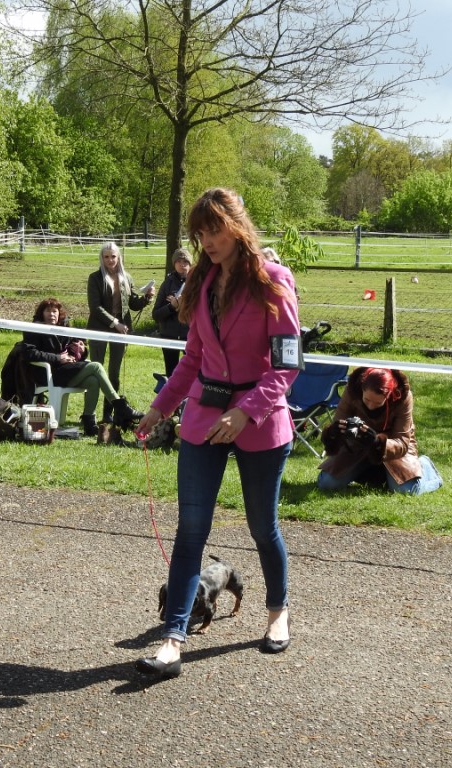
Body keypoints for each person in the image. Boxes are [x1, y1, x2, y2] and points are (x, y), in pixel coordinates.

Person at [134, 188, 301, 680]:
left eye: (214, 230)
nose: (206, 241)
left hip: (261, 423)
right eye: (199, 233)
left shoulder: (274, 281)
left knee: (262, 527)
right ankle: (172, 641)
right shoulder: (201, 282)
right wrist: (160, 408)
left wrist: (247, 412)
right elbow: (192, 359)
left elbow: (287, 365)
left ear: (237, 226)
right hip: (203, 420)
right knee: (190, 530)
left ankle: (277, 613)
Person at [21, 298, 142, 436]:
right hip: (48, 373)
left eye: (55, 311)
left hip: (68, 370)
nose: (52, 314)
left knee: (93, 381)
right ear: (41, 313)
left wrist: (81, 349)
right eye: (48, 311)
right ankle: (120, 406)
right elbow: (29, 353)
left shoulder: (65, 328)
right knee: (96, 366)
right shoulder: (34, 328)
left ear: (59, 313)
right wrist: (58, 358)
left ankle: (89, 423)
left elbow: (78, 349)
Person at [316, 367, 443, 495]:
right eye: (367, 400)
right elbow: (339, 423)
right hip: (357, 447)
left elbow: (402, 442)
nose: (371, 406)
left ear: (389, 395)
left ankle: (425, 466)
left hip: (393, 449)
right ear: (361, 389)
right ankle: (372, 475)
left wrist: (377, 442)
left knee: (408, 491)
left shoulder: (404, 397)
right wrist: (334, 432)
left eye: (377, 403)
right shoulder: (351, 390)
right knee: (326, 484)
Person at [87, 242, 156, 424]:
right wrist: (114, 323)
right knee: (96, 371)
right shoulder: (95, 278)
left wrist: (147, 298)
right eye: (106, 257)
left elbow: (133, 304)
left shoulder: (126, 277)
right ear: (102, 258)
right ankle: (89, 414)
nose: (110, 260)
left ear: (119, 257)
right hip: (99, 328)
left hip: (121, 330)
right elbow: (95, 307)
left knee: (114, 373)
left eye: (113, 256)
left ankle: (108, 413)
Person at [151, 247, 192, 376]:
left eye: (185, 261)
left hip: (190, 336)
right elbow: (156, 314)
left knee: (194, 373)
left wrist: (186, 305)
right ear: (174, 264)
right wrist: (171, 307)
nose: (182, 264)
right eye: (178, 261)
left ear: (190, 264)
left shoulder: (197, 284)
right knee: (171, 374)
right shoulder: (166, 284)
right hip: (169, 335)